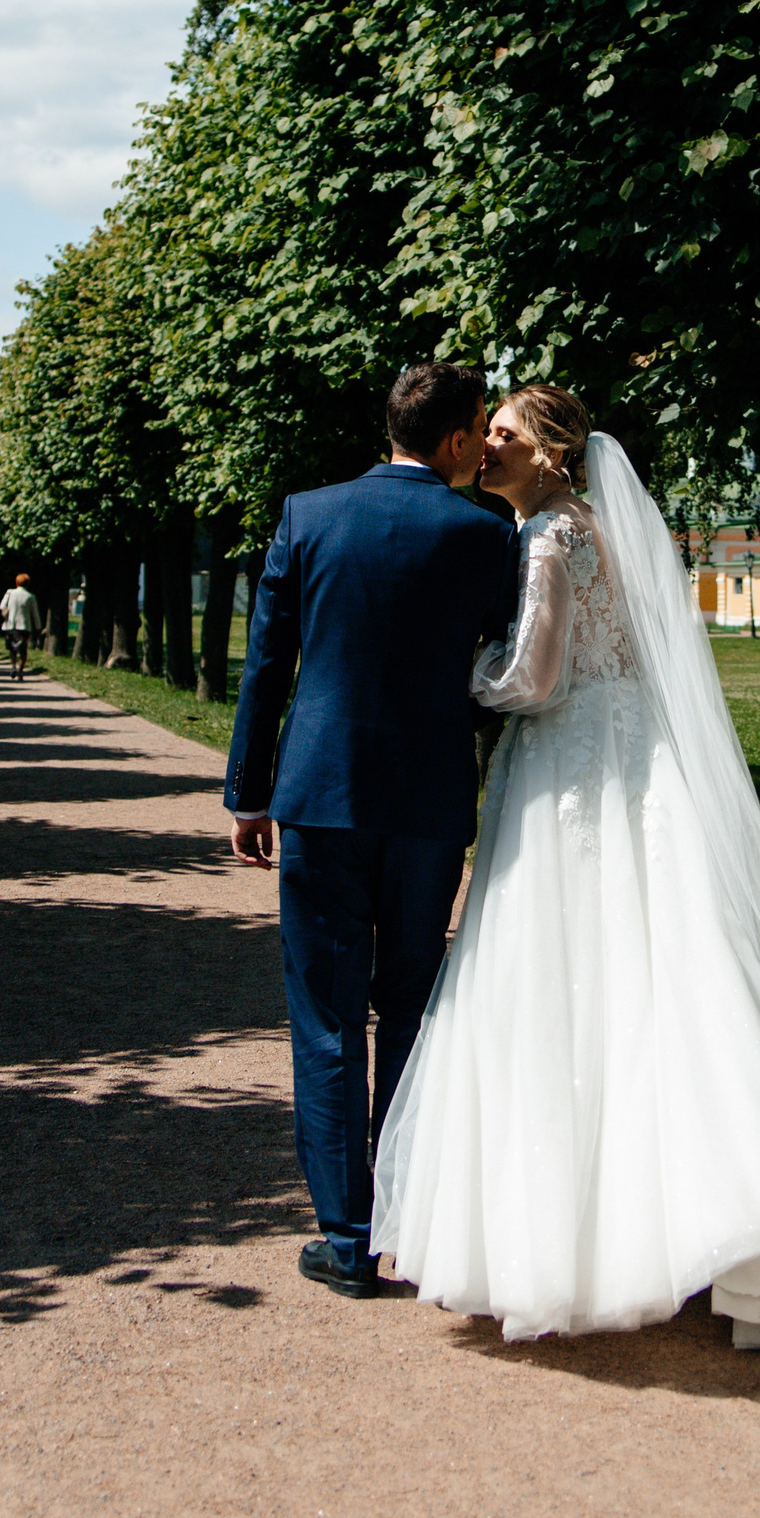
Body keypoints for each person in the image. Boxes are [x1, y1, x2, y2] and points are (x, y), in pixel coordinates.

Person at [373, 386, 760, 1356]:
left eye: (505, 436)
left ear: (553, 453)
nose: (485, 447)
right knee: (652, 984)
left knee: (560, 987)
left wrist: (453, 674)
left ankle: (581, 1243)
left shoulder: (550, 538)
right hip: (627, 760)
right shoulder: (589, 527)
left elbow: (535, 679)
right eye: (485, 434)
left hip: (570, 770)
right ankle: (697, 1218)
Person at [225, 362, 519, 1301]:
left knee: (324, 1020)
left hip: (319, 795)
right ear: (459, 439)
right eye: (481, 428)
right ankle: (402, 1215)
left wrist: (249, 790)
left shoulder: (309, 515)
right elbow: (498, 668)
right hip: (429, 803)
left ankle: (345, 1240)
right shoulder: (483, 532)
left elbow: (267, 662)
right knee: (409, 1010)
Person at [0, 574, 41, 679]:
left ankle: (13, 666)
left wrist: (5, 612)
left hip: (11, 625)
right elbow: (35, 614)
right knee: (23, 649)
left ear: (17, 582)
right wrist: (38, 627)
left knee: (12, 648)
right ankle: (21, 670)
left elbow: (2, 606)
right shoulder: (30, 596)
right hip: (25, 626)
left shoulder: (10, 593)